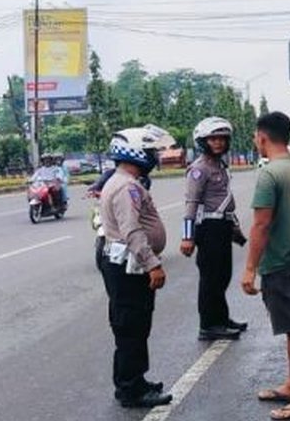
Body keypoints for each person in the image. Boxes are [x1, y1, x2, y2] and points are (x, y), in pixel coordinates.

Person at [242, 111, 290, 420]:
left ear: (262, 137)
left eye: (255, 137)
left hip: (282, 261)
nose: (255, 142)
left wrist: (250, 268)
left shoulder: (270, 173)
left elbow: (261, 225)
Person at [98, 124, 176, 409]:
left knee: (137, 325)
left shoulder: (123, 182)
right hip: (128, 265)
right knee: (131, 326)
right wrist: (153, 264)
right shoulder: (126, 187)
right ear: (134, 152)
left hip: (127, 264)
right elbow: (131, 230)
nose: (154, 156)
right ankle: (131, 390)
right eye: (150, 151)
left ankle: (137, 380)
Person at [180, 116, 248, 341]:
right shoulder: (199, 169)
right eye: (213, 139)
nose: (218, 143)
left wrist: (235, 229)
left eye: (222, 139)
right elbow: (191, 203)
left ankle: (221, 318)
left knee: (223, 275)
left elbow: (225, 201)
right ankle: (208, 325)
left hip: (221, 225)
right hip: (208, 227)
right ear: (202, 141)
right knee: (211, 278)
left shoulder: (219, 165)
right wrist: (187, 237)